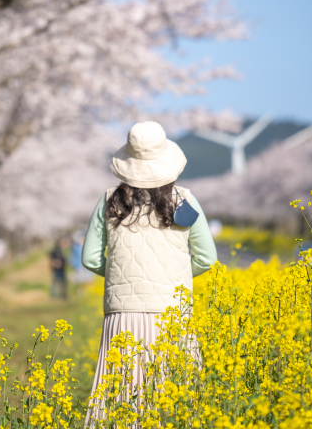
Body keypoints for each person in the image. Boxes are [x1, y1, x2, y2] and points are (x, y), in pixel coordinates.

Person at [82, 120, 217, 409]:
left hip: (122, 314)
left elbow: (90, 258)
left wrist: (122, 277)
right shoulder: (185, 200)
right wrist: (175, 279)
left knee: (122, 392)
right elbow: (206, 258)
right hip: (172, 312)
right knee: (177, 395)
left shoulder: (108, 201)